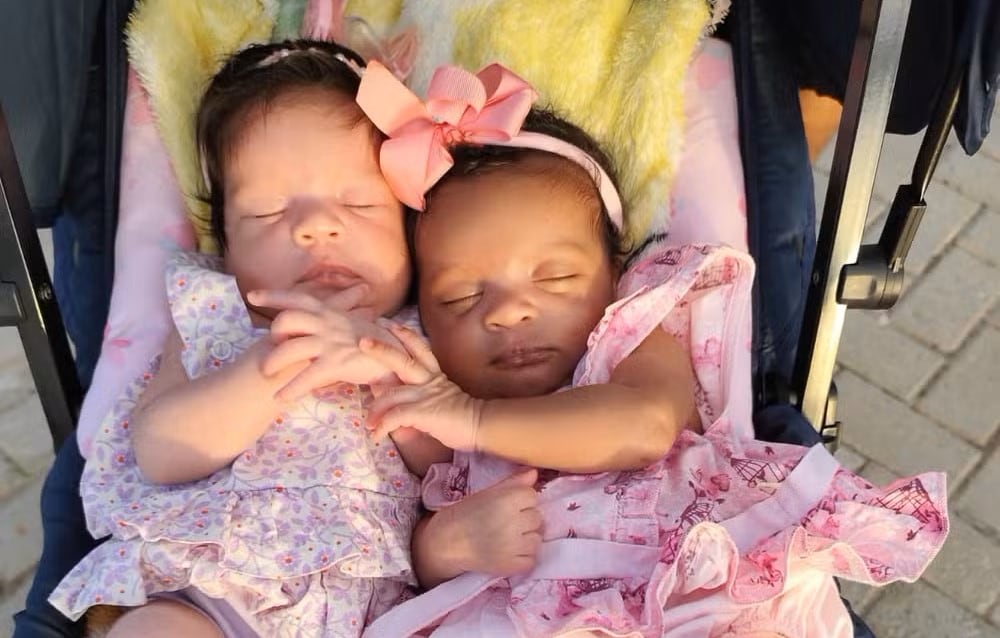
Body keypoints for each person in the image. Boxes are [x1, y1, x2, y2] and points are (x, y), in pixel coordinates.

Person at [344, 62, 950, 637]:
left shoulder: (629, 342)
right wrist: (441, 545)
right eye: (459, 297)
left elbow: (644, 428)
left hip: (699, 587)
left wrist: (474, 420)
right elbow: (405, 539)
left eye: (553, 279)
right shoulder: (442, 399)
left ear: (613, 275)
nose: (507, 312)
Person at [45, 40, 445, 637]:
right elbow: (159, 450)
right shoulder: (216, 316)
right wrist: (263, 372)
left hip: (365, 614)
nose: (315, 227)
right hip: (203, 589)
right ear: (227, 247)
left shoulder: (419, 333)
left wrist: (389, 374)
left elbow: (451, 468)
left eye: (360, 202)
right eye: (266, 213)